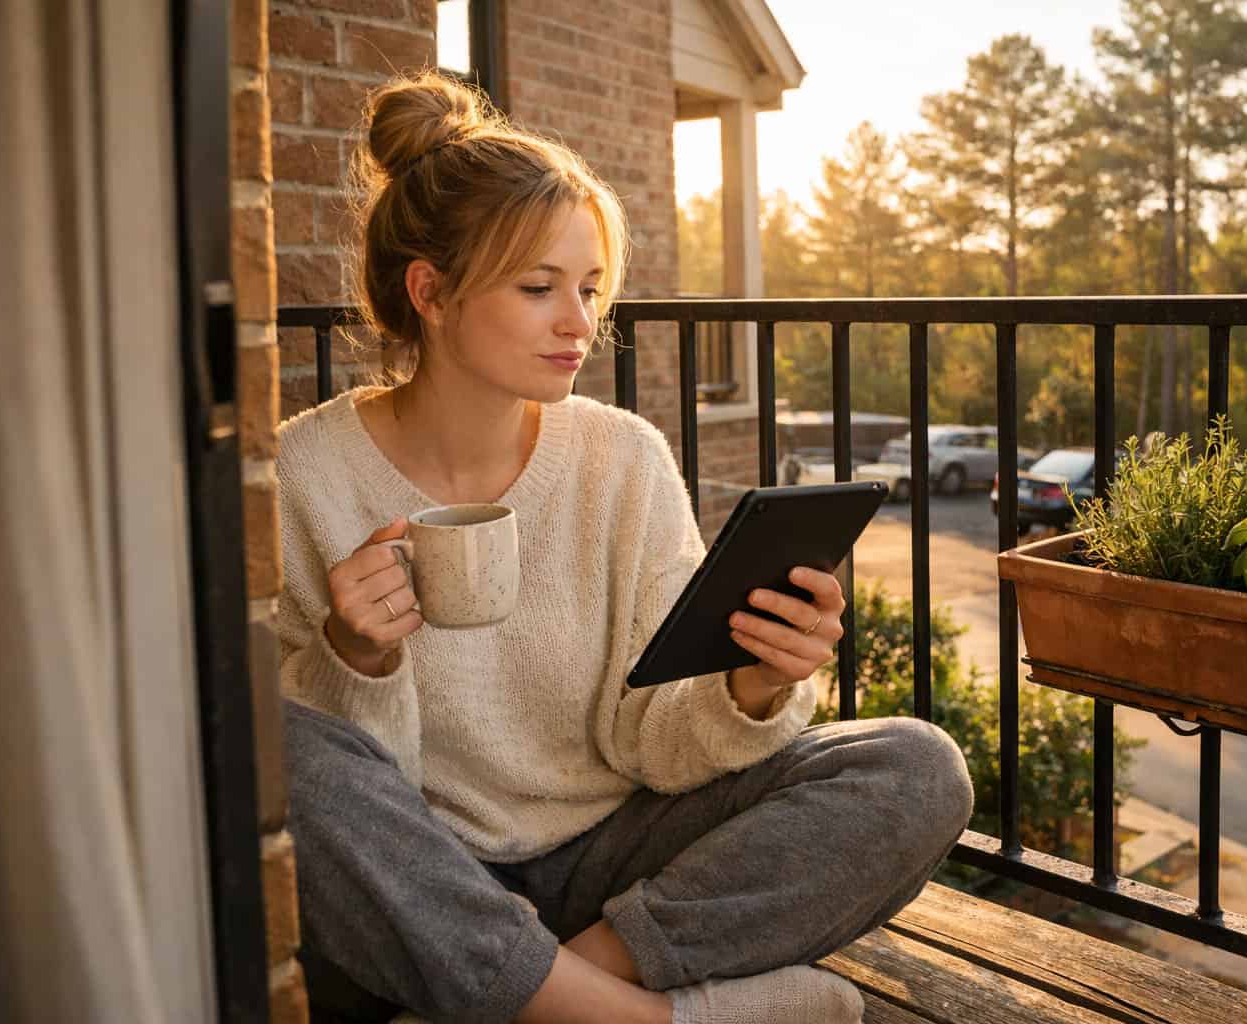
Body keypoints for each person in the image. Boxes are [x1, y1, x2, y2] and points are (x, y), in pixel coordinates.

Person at [276, 72, 973, 1024]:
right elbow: (353, 795)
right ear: (430, 292)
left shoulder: (620, 458)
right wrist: (356, 659)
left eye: (591, 289)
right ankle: (639, 1018)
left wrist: (751, 687)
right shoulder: (306, 472)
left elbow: (653, 741)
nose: (580, 324)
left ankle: (556, 996)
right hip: (432, 876)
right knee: (282, 750)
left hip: (614, 860)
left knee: (913, 767)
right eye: (539, 288)